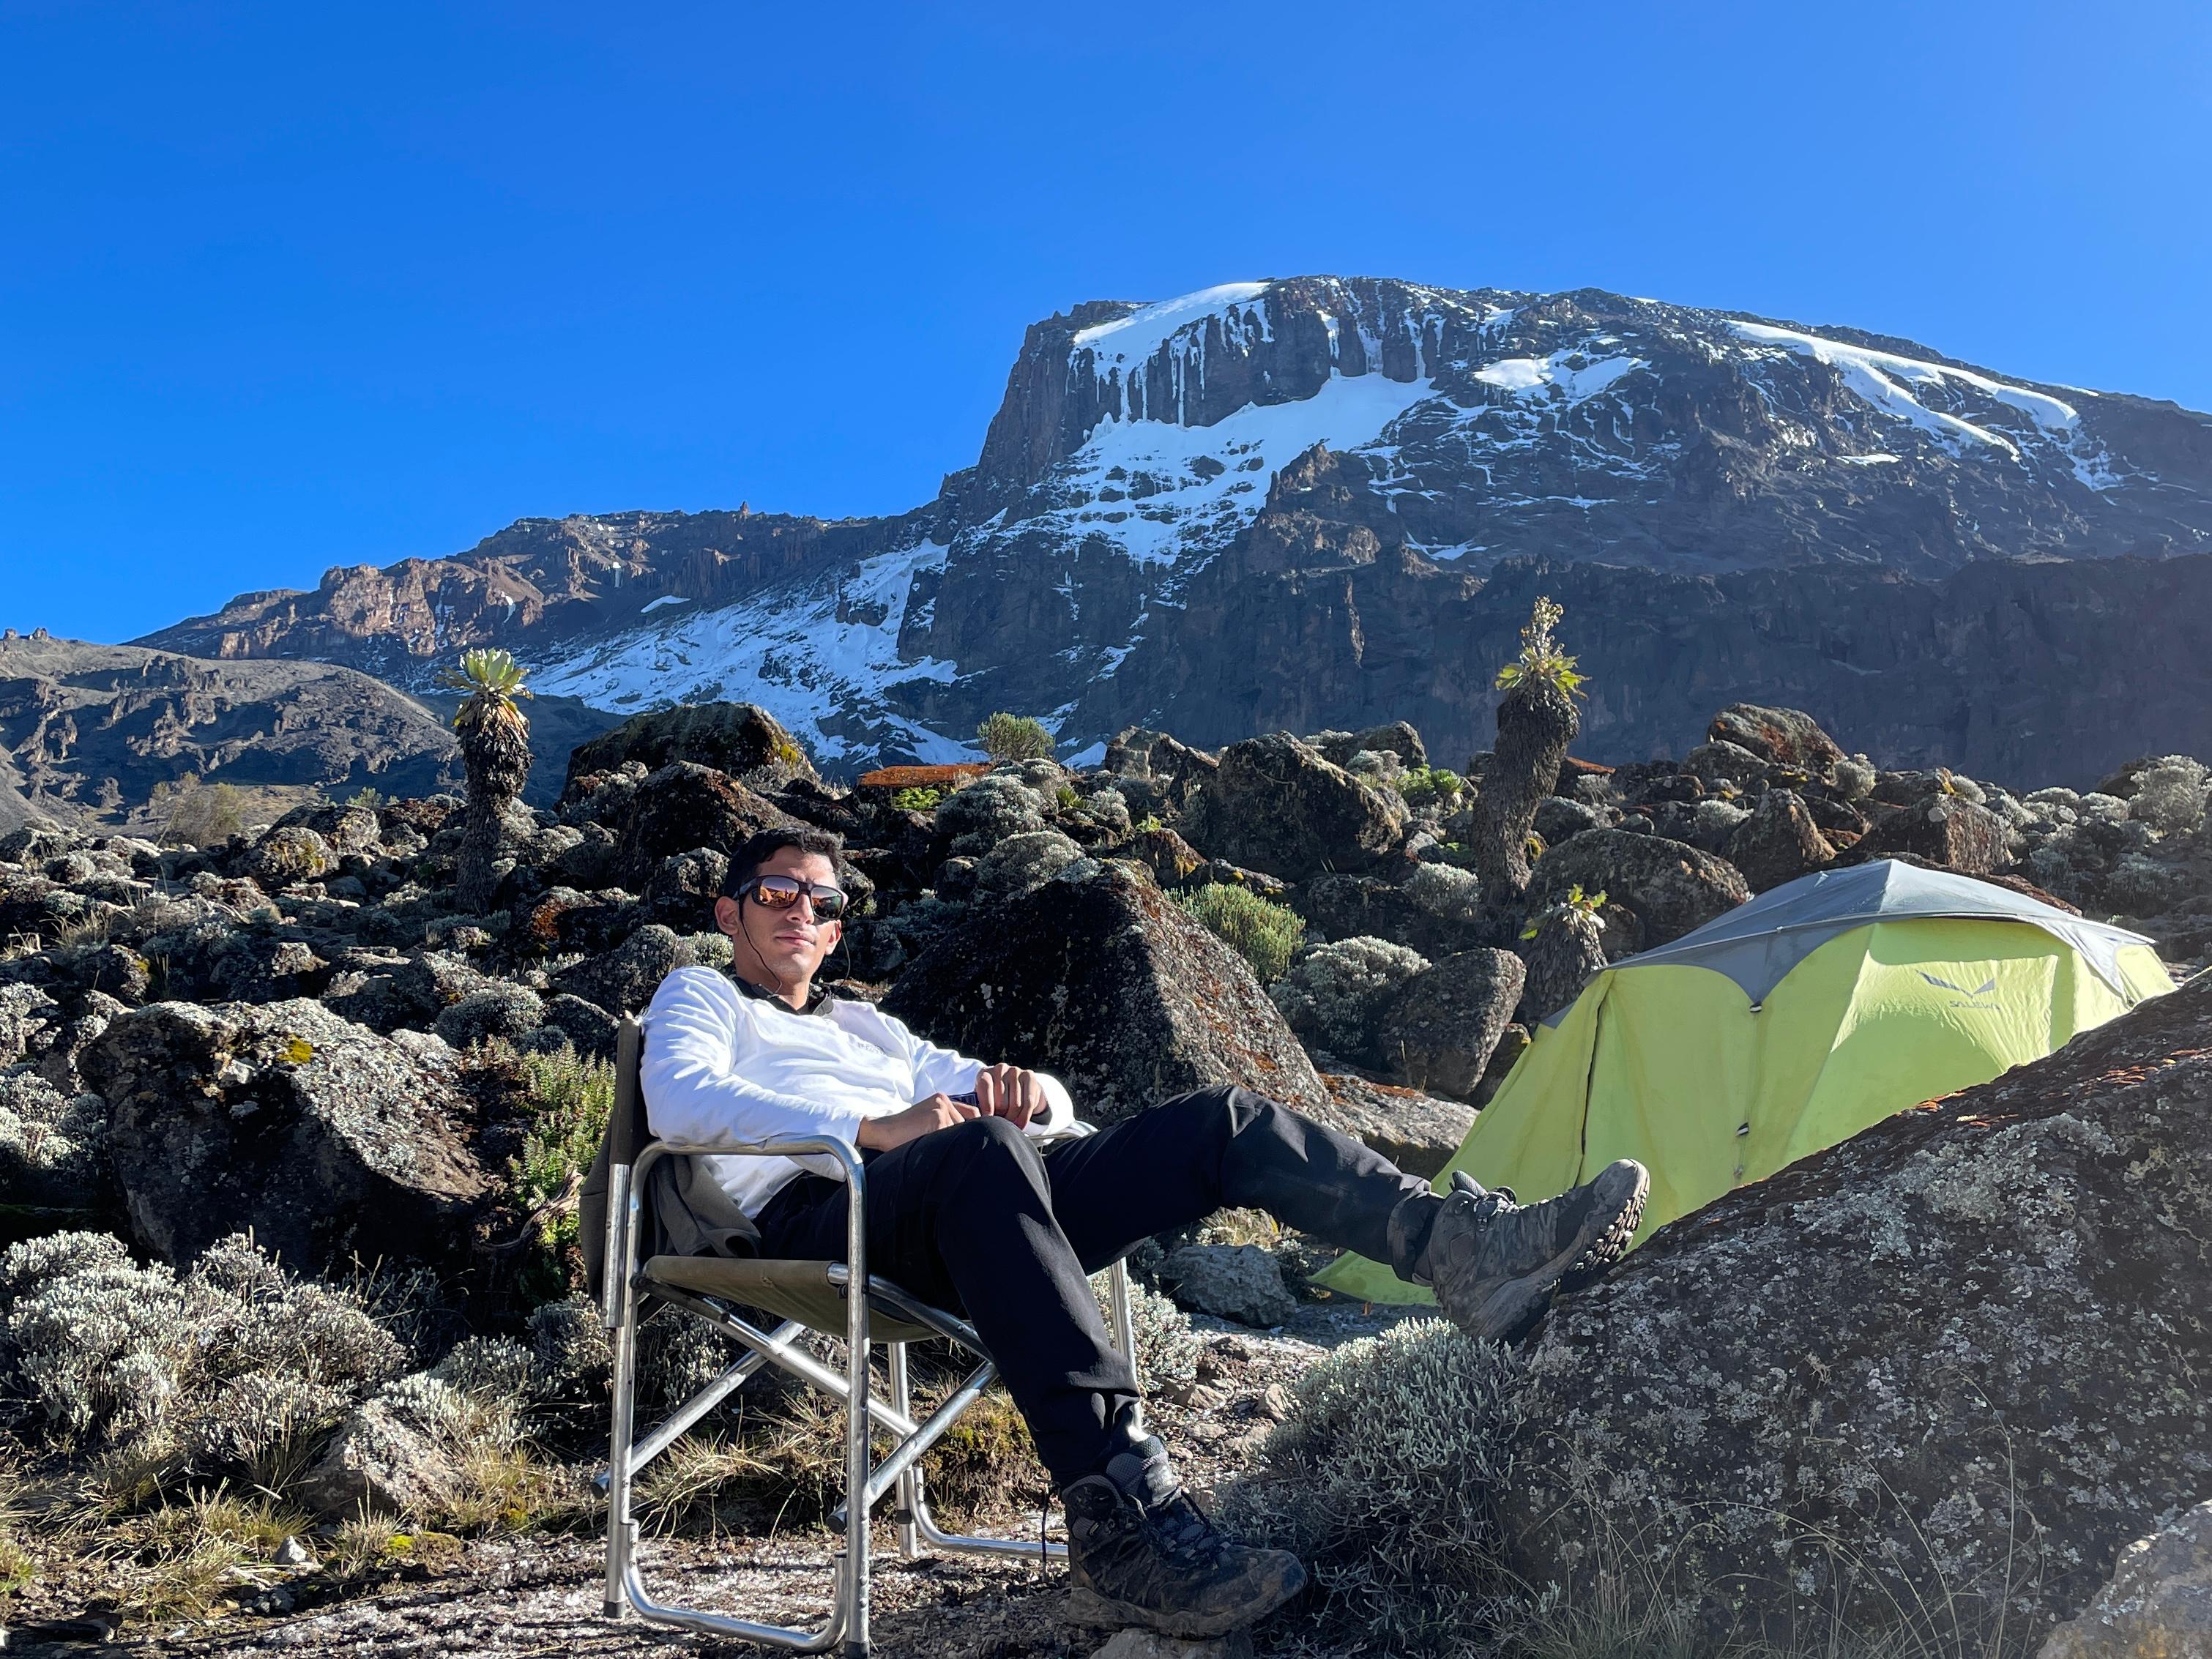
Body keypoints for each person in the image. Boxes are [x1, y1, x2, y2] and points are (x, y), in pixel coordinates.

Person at [641, 827, 1648, 1639]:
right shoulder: (700, 996)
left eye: (823, 902)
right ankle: (1125, 1522)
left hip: (967, 1200)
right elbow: (679, 1101)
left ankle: (1453, 1247)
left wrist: (1032, 1090)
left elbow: (1027, 1100)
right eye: (778, 893)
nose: (802, 913)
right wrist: (877, 1128)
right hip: (825, 1216)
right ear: (730, 911)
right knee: (982, 1153)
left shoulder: (868, 1030)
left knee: (1219, 1119)